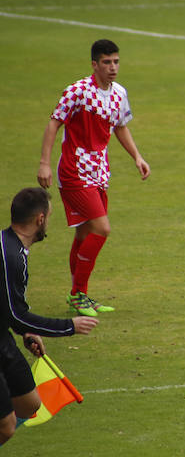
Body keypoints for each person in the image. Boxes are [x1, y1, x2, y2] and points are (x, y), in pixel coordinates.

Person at [37, 39, 151, 317]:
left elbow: (120, 127)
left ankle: (80, 294)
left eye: (116, 61)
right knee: (102, 229)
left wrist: (137, 156)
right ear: (94, 64)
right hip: (74, 171)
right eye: (107, 62)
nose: (113, 67)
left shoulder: (119, 93)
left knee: (85, 232)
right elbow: (54, 122)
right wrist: (44, 164)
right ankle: (78, 294)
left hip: (99, 172)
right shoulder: (77, 91)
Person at [1, 188, 98, 445]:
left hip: (2, 333)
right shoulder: (12, 257)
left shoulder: (10, 246)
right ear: (40, 219)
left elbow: (10, 308)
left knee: (30, 402)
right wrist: (69, 327)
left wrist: (27, 332)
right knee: (6, 427)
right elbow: (17, 314)